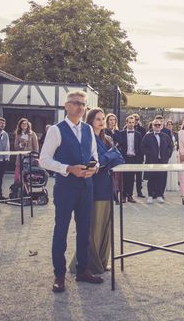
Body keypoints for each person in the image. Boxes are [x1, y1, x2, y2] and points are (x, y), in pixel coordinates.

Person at [38, 90, 101, 293]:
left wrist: (95, 167)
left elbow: (94, 154)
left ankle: (82, 270)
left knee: (84, 230)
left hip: (86, 186)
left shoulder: (88, 130)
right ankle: (59, 274)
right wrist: (67, 169)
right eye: (75, 103)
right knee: (61, 230)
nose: (80, 107)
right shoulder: (56, 130)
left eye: (83, 104)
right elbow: (44, 159)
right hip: (65, 187)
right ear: (66, 106)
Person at [69, 108, 124, 274]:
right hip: (94, 186)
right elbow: (94, 162)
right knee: (94, 226)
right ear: (90, 120)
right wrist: (110, 156)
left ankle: (100, 261)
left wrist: (108, 157)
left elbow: (119, 159)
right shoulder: (87, 139)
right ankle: (86, 264)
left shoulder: (107, 139)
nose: (102, 121)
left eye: (103, 118)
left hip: (107, 185)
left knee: (105, 226)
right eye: (98, 119)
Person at [141, 118, 174, 204]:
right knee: (151, 178)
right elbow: (143, 147)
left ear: (161, 126)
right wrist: (150, 154)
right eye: (155, 125)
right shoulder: (147, 136)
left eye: (159, 125)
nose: (157, 126)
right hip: (151, 161)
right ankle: (150, 196)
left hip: (163, 161)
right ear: (152, 126)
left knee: (162, 178)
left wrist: (167, 155)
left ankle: (160, 195)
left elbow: (171, 147)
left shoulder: (166, 136)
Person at [114, 115, 145, 203]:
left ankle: (130, 196)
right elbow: (118, 145)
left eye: (133, 122)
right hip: (124, 158)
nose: (131, 124)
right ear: (126, 123)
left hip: (134, 158)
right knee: (124, 178)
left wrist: (139, 159)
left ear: (135, 123)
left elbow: (140, 147)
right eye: (129, 122)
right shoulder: (121, 133)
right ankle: (123, 196)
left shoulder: (139, 135)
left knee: (131, 178)